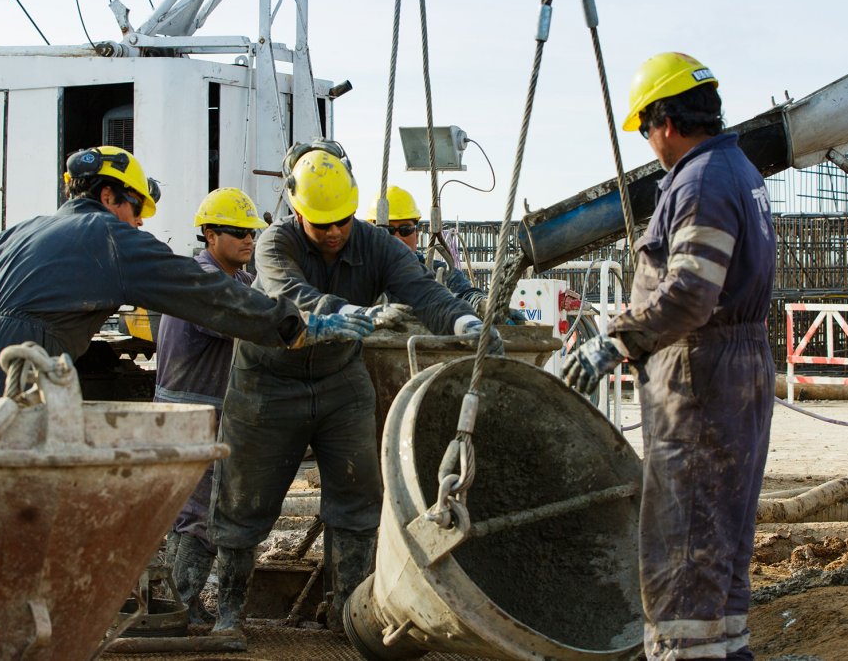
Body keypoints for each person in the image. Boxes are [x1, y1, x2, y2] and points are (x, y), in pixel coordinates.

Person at [209, 140, 499, 636]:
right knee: (244, 499)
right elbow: (289, 295)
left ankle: (349, 614)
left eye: (344, 219)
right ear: (297, 211)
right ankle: (228, 615)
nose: (336, 232)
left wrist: (465, 320)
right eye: (322, 223)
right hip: (266, 384)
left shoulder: (373, 244)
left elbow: (423, 289)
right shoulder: (275, 243)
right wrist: (351, 314)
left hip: (340, 383)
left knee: (358, 498)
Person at [562, 53, 776, 661]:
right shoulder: (739, 171)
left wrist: (616, 340)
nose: (649, 144)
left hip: (702, 379)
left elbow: (688, 292)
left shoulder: (702, 180)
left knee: (683, 547)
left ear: (665, 121)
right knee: (719, 546)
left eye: (646, 130)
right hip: (735, 370)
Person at [0, 146, 374, 399]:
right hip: (12, 380)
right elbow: (206, 293)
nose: (139, 222)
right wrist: (296, 325)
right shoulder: (108, 237)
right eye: (135, 207)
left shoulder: (17, 233)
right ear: (108, 197)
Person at [154, 187, 269, 624]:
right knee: (199, 515)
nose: (248, 240)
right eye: (238, 232)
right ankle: (178, 609)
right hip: (191, 413)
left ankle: (182, 605)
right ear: (208, 233)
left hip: (208, 410)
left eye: (252, 233)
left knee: (200, 513)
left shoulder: (234, 279)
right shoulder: (203, 283)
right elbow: (256, 323)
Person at [365, 185, 526, 323]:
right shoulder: (358, 274)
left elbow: (463, 294)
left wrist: (483, 305)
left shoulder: (439, 272)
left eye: (405, 229)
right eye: (388, 230)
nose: (398, 238)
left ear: (417, 234)